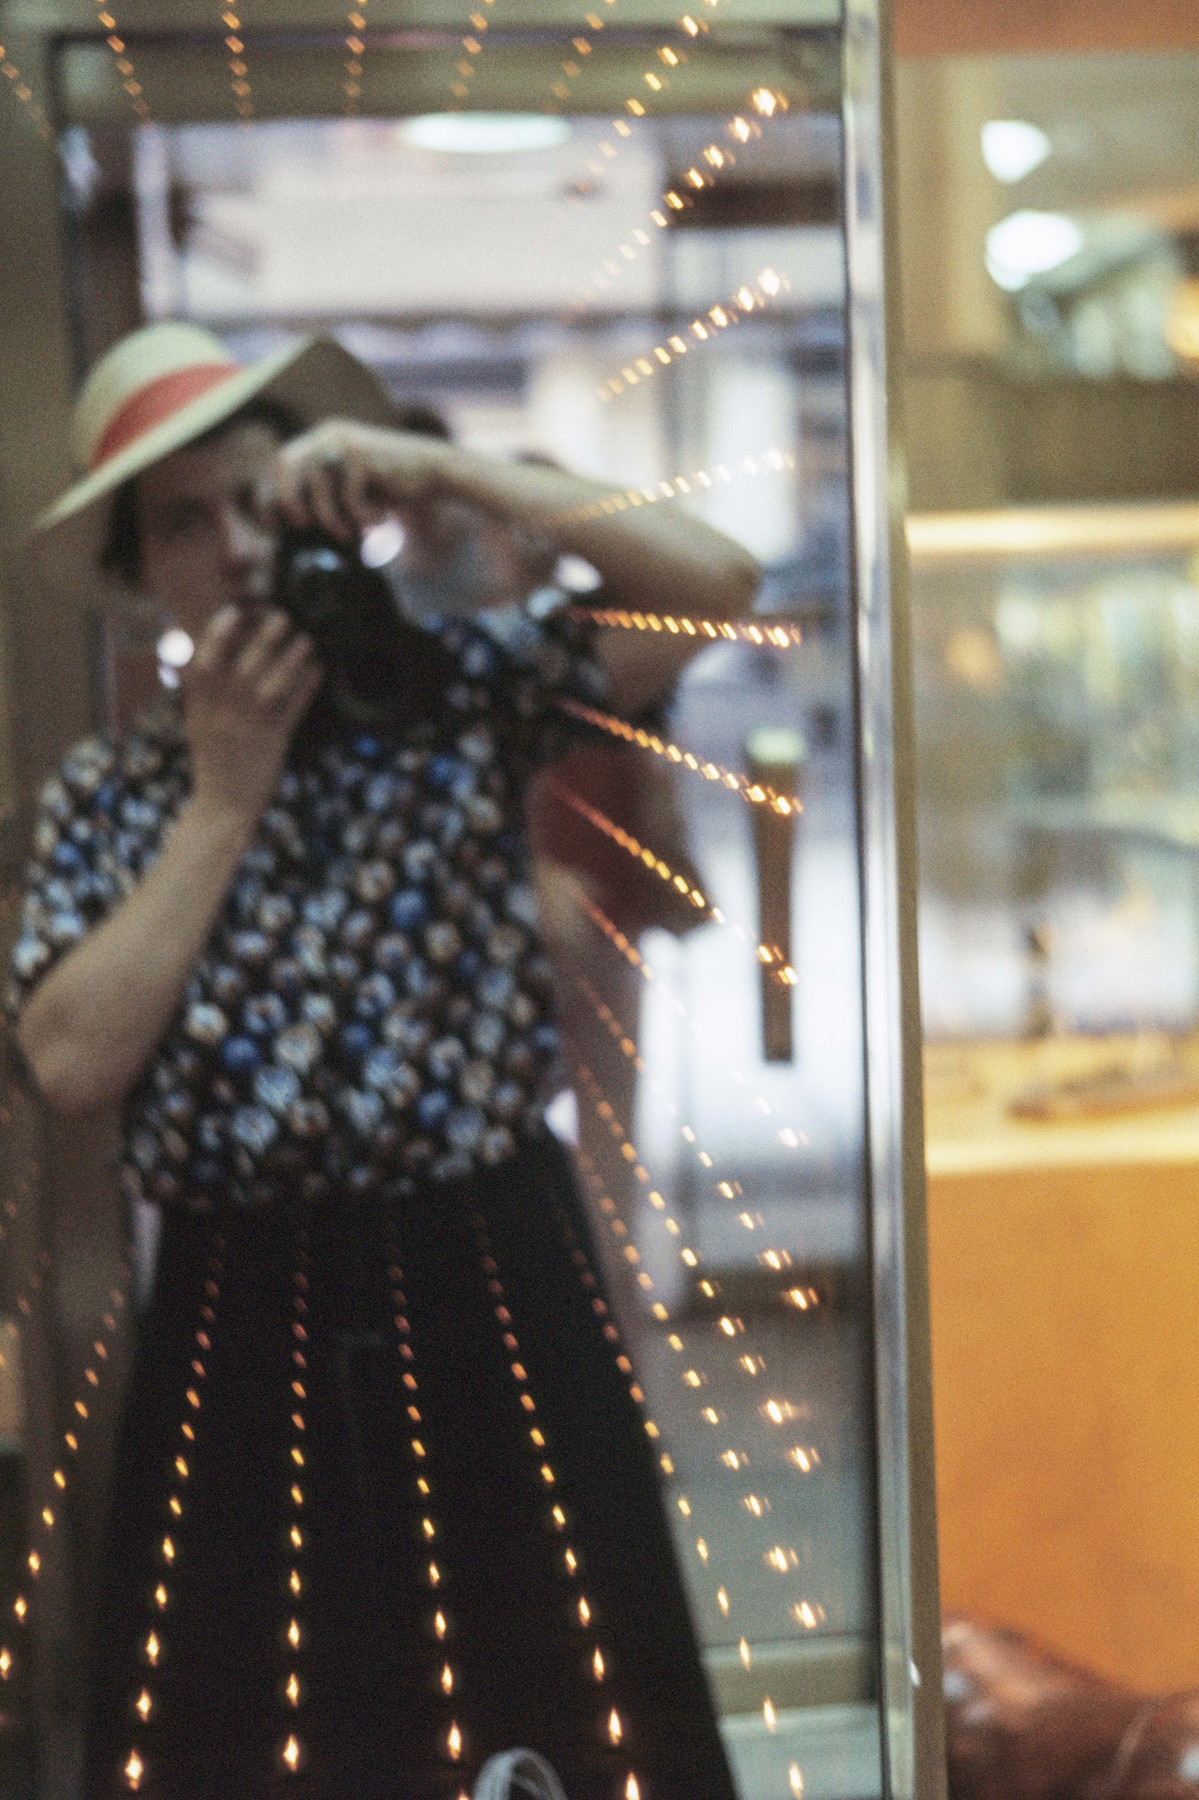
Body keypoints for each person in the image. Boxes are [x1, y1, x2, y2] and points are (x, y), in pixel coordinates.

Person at [10, 322, 759, 1800]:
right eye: (184, 523)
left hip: (489, 1265)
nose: (235, 548)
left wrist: (440, 473)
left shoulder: (451, 696)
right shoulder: (113, 792)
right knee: (260, 1733)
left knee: (568, 1704)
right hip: (239, 1309)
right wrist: (223, 802)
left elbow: (716, 582)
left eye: (257, 499)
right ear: (139, 576)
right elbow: (68, 1063)